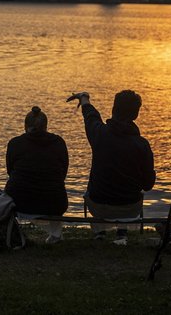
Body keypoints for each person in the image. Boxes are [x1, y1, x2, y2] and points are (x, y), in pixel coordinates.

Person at [69, 90, 155, 245]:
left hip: (98, 206)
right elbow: (148, 185)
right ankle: (121, 234)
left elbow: (90, 116)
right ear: (136, 115)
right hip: (130, 208)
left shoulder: (99, 134)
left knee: (95, 187)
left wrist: (84, 99)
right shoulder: (142, 145)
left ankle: (99, 232)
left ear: (113, 110)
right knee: (127, 188)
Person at [4, 106, 69, 244]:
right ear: (46, 126)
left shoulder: (15, 144)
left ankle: (12, 233)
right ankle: (56, 235)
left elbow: (10, 171)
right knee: (54, 189)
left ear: (25, 126)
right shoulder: (58, 143)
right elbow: (63, 173)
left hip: (19, 202)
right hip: (54, 203)